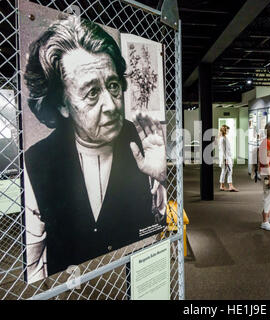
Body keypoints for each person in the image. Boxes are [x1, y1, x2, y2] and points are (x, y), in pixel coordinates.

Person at [23, 16, 167, 282]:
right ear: (62, 104)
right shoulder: (37, 162)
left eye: (113, 87)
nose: (112, 106)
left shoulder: (142, 140)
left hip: (133, 283)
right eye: (91, 93)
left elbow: (162, 226)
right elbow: (32, 267)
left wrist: (163, 179)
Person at [218, 124, 238, 192]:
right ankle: (230, 186)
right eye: (227, 130)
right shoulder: (222, 139)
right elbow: (223, 150)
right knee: (230, 171)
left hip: (225, 158)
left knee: (224, 171)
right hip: (226, 158)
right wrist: (226, 159)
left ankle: (222, 186)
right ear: (224, 130)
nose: (228, 131)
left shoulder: (223, 138)